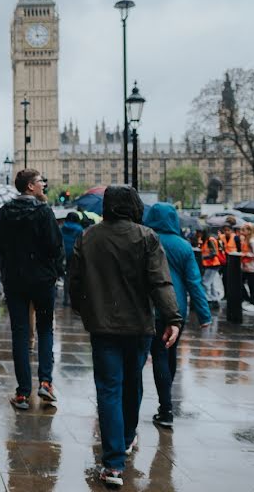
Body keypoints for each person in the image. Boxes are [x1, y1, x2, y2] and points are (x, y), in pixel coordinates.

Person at [68, 186, 181, 488]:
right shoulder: (147, 237)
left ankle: (113, 464)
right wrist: (172, 318)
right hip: (139, 327)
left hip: (103, 328)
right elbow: (160, 283)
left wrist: (87, 311)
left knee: (108, 389)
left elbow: (74, 283)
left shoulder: (87, 236)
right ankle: (128, 438)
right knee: (133, 384)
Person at [0, 168, 64, 410]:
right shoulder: (44, 212)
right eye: (41, 181)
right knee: (44, 330)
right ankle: (45, 382)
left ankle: (22, 393)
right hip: (42, 281)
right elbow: (55, 247)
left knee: (20, 334)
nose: (44, 184)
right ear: (30, 187)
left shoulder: (4, 212)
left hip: (15, 280)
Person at [143, 203, 212, 429]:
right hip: (177, 310)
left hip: (151, 307)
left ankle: (166, 408)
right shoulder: (183, 246)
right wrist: (204, 315)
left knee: (158, 355)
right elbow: (194, 282)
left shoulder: (146, 240)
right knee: (170, 354)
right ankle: (166, 403)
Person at [60, 212, 84, 307]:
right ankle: (74, 299)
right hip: (74, 255)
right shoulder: (79, 229)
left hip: (63, 255)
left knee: (66, 277)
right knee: (74, 277)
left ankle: (66, 299)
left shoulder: (62, 228)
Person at [199, 227, 224, 305]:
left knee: (206, 282)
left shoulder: (210, 240)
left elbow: (214, 253)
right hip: (210, 264)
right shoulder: (205, 240)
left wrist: (204, 257)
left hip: (212, 264)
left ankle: (208, 299)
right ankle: (214, 298)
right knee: (211, 283)